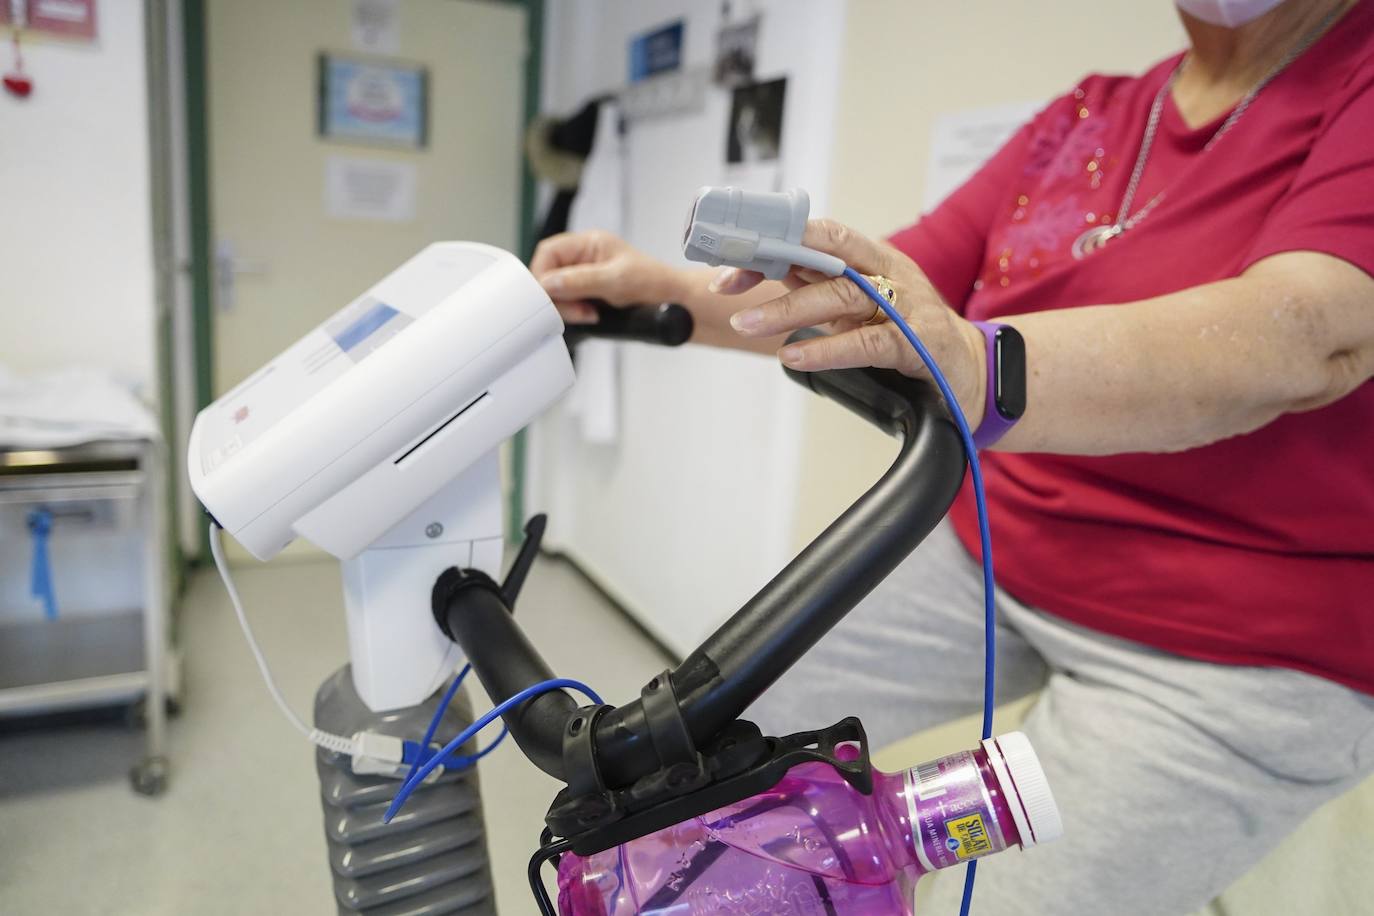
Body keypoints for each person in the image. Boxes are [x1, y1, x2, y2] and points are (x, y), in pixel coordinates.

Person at [529, 0, 1374, 912]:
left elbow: (1308, 331)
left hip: (1235, 642)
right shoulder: (1090, 115)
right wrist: (653, 289)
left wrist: (980, 363)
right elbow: (886, 294)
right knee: (683, 772)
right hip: (995, 552)